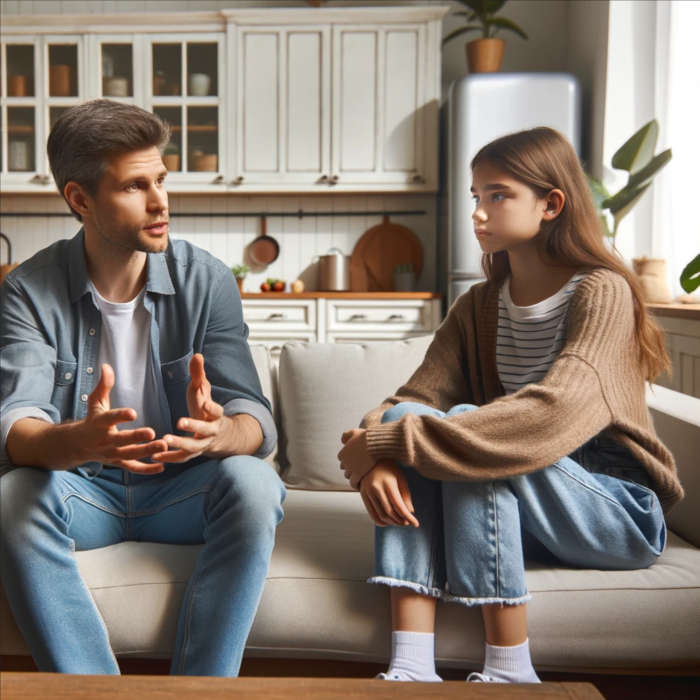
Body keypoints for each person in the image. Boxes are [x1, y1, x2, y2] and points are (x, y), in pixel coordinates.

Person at [338, 127, 683, 684]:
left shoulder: (602, 292)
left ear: (551, 204)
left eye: (497, 195)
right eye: (476, 196)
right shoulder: (479, 305)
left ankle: (509, 670)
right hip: (527, 508)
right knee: (415, 420)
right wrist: (377, 448)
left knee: (466, 430)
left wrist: (381, 444)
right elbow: (408, 401)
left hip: (614, 513)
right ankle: (410, 667)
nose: (477, 212)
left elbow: (549, 416)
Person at [0, 99, 285, 676]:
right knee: (12, 498)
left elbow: (255, 419)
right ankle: (93, 692)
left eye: (160, 180)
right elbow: (16, 428)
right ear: (80, 199)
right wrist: (81, 441)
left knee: (255, 483)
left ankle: (201, 692)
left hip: (182, 491)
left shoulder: (206, 279)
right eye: (135, 186)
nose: (161, 203)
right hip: (86, 494)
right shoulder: (27, 290)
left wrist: (220, 432)